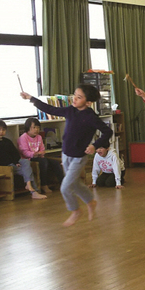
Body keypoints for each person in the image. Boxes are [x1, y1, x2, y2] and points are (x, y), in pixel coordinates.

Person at [21, 85, 113, 226]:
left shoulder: (91, 117)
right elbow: (50, 109)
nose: (74, 99)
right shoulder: (70, 110)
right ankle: (91, 201)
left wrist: (94, 145)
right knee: (75, 184)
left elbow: (107, 132)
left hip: (79, 157)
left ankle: (75, 210)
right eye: (74, 95)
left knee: (65, 187)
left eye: (79, 97)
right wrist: (31, 98)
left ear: (88, 102)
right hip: (66, 154)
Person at [0, 119, 47, 199]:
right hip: (4, 166)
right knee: (27, 171)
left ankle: (29, 185)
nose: (1, 132)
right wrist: (12, 163)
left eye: (3, 130)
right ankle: (33, 191)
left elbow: (15, 154)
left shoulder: (7, 141)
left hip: (14, 164)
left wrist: (16, 162)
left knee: (26, 162)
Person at [18, 117, 65, 194]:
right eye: (34, 127)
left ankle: (63, 184)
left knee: (55, 163)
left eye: (38, 127)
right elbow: (24, 152)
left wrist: (40, 153)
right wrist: (35, 154)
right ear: (28, 128)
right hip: (29, 159)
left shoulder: (39, 137)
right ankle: (44, 184)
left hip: (39, 157)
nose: (36, 129)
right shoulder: (23, 138)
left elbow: (42, 149)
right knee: (43, 162)